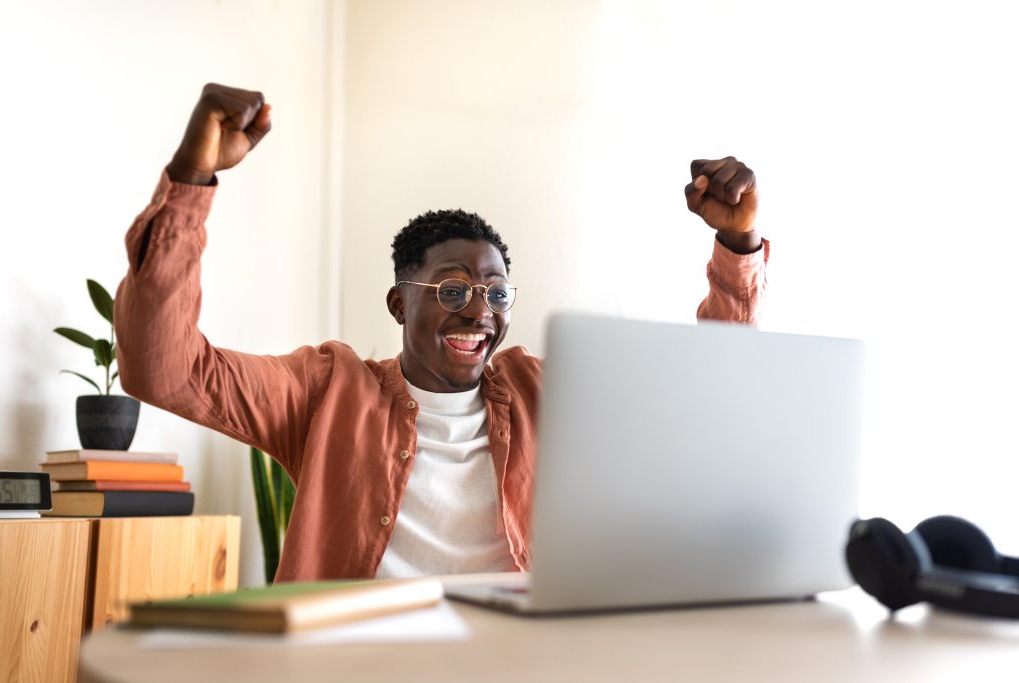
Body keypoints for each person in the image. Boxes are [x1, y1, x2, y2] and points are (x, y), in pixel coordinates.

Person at [115, 84, 769, 582]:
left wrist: (737, 243)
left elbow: (702, 390)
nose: (478, 312)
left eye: (495, 292)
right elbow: (164, 368)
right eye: (453, 290)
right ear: (400, 304)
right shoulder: (326, 391)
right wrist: (192, 177)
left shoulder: (547, 391)